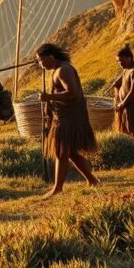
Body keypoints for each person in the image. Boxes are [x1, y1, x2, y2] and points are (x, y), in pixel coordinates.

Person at [37, 43, 99, 198]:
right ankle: (92, 180)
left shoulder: (63, 70)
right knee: (69, 152)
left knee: (61, 152)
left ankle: (57, 188)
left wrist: (49, 97)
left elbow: (73, 94)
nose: (40, 64)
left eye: (41, 60)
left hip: (69, 118)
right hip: (64, 116)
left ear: (50, 57)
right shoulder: (58, 70)